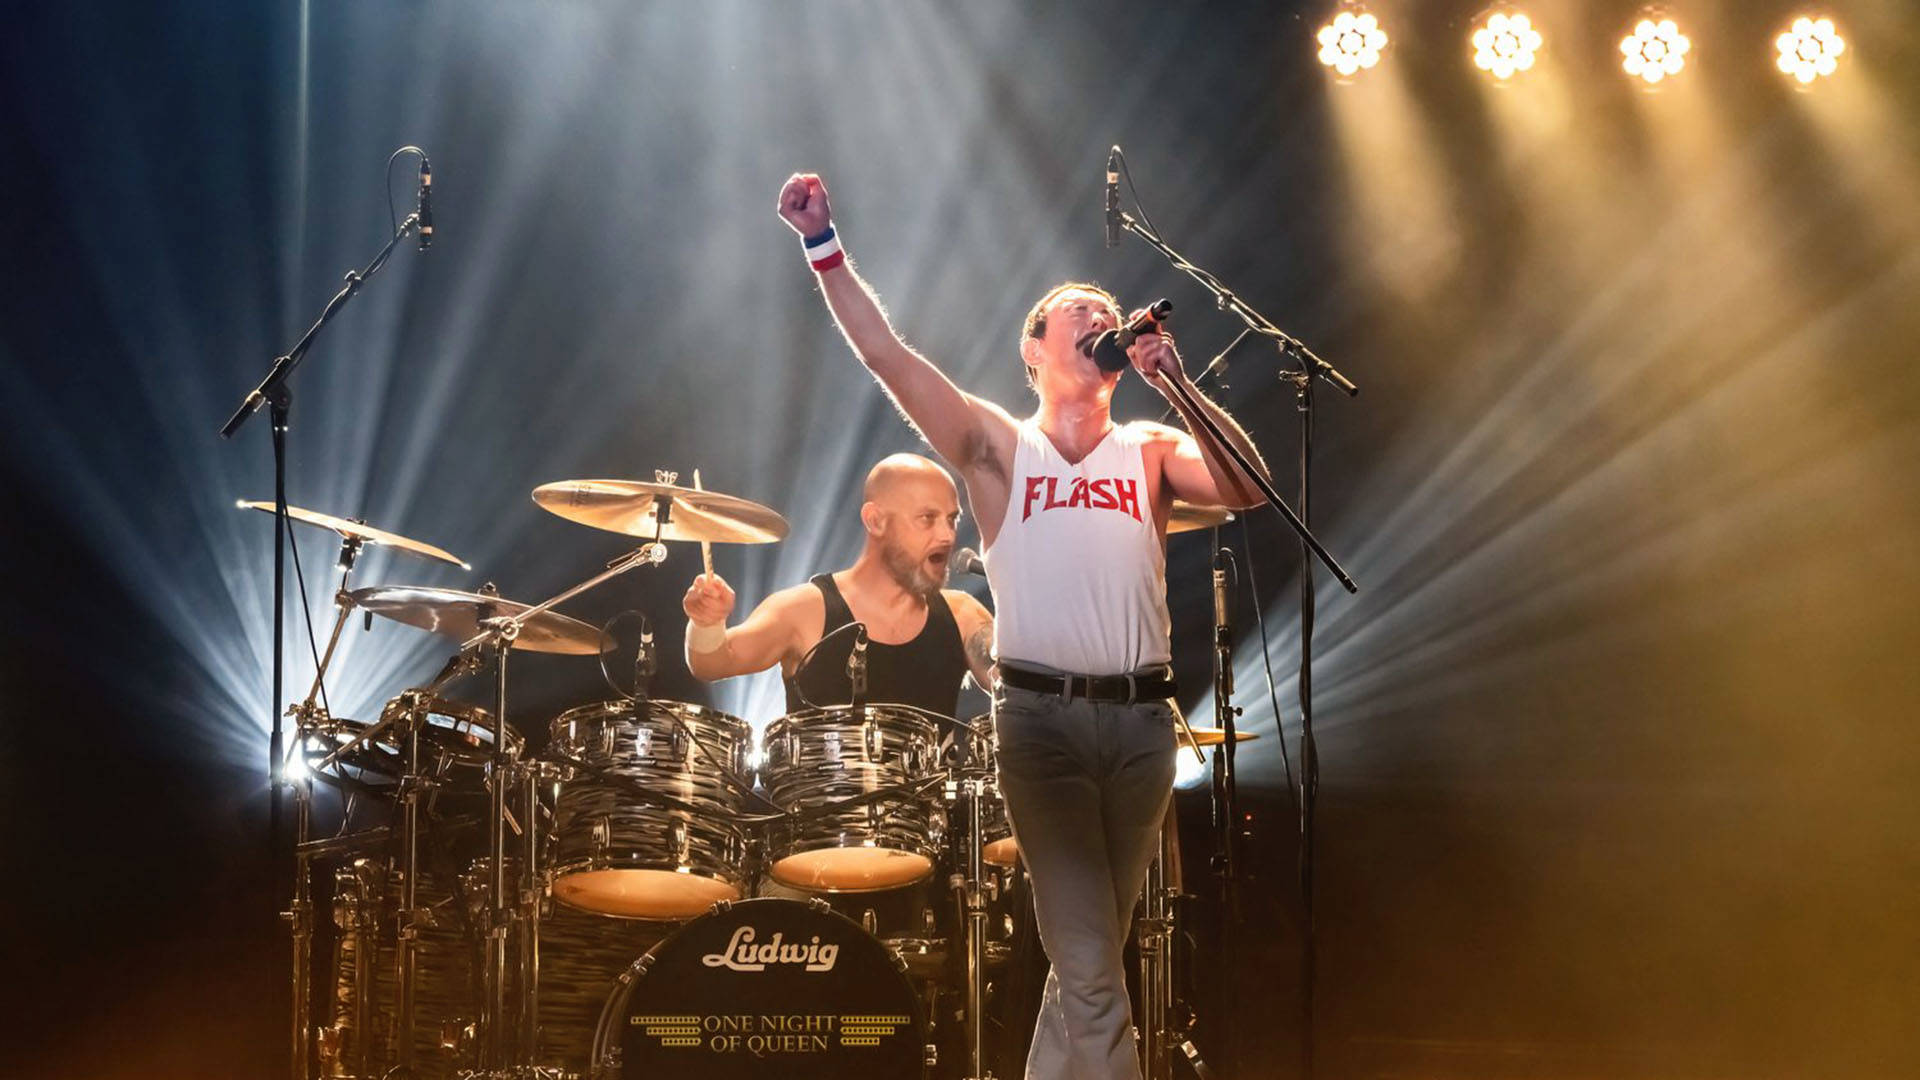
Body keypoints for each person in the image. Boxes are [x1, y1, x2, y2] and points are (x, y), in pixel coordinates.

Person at [773, 172, 1268, 1080]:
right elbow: (887, 356)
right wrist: (823, 245)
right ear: (1033, 350)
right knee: (1092, 970)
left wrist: (1179, 386)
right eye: (1078, 311)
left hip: (1142, 729)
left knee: (1087, 964)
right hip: (1043, 729)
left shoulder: (1149, 449)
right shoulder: (1001, 446)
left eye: (1107, 312)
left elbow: (1247, 488)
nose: (1099, 317)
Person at [681, 452, 995, 713]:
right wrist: (707, 622)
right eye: (927, 518)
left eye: (952, 519)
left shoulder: (962, 614)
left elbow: (1009, 681)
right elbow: (713, 664)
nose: (947, 535)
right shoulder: (805, 610)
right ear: (875, 520)